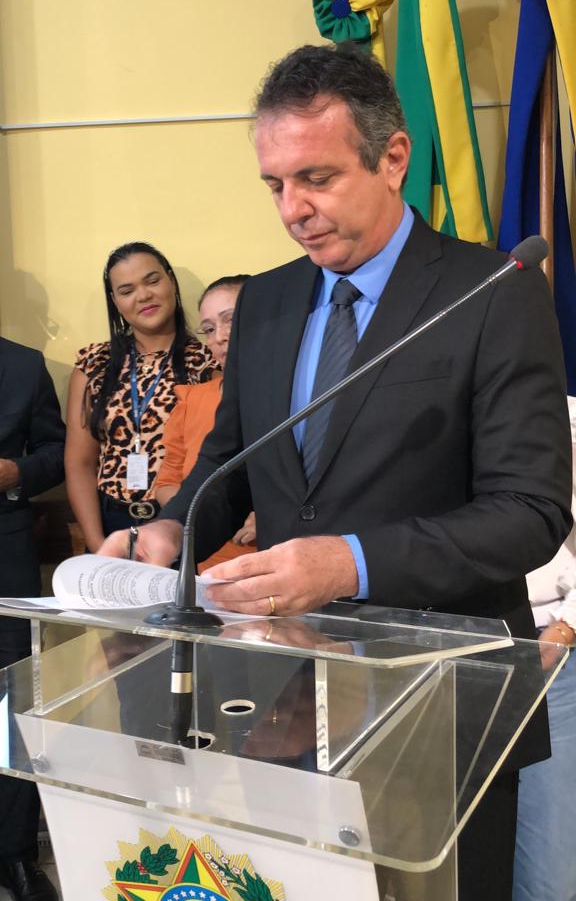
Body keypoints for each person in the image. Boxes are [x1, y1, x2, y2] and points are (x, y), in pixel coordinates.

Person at [100, 44, 573, 899]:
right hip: (284, 698)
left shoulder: (492, 293)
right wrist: (173, 527)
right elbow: (232, 461)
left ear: (393, 158)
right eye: (275, 186)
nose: (294, 210)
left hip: (442, 701)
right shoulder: (271, 299)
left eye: (316, 178)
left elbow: (530, 512)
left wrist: (346, 562)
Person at [65, 242, 215, 552]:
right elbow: (80, 463)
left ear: (171, 281)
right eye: (127, 290)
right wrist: (97, 543)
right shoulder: (94, 364)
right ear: (115, 301)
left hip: (180, 522)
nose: (143, 296)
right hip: (110, 521)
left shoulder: (207, 362)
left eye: (152, 280)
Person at [0, 337, 65, 901]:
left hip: (6, 556)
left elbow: (56, 450)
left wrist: (14, 472)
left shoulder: (23, 365)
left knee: (13, 704)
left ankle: (13, 853)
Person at [512, 396, 576, 901]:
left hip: (545, 650)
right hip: (448, 646)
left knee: (545, 874)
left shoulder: (564, 419)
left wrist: (563, 629)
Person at [154, 274, 256, 565]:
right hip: (206, 560)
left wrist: (272, 514)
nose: (219, 337)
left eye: (230, 320)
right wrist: (197, 515)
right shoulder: (192, 400)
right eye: (209, 329)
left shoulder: (298, 395)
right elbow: (167, 480)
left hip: (274, 555)